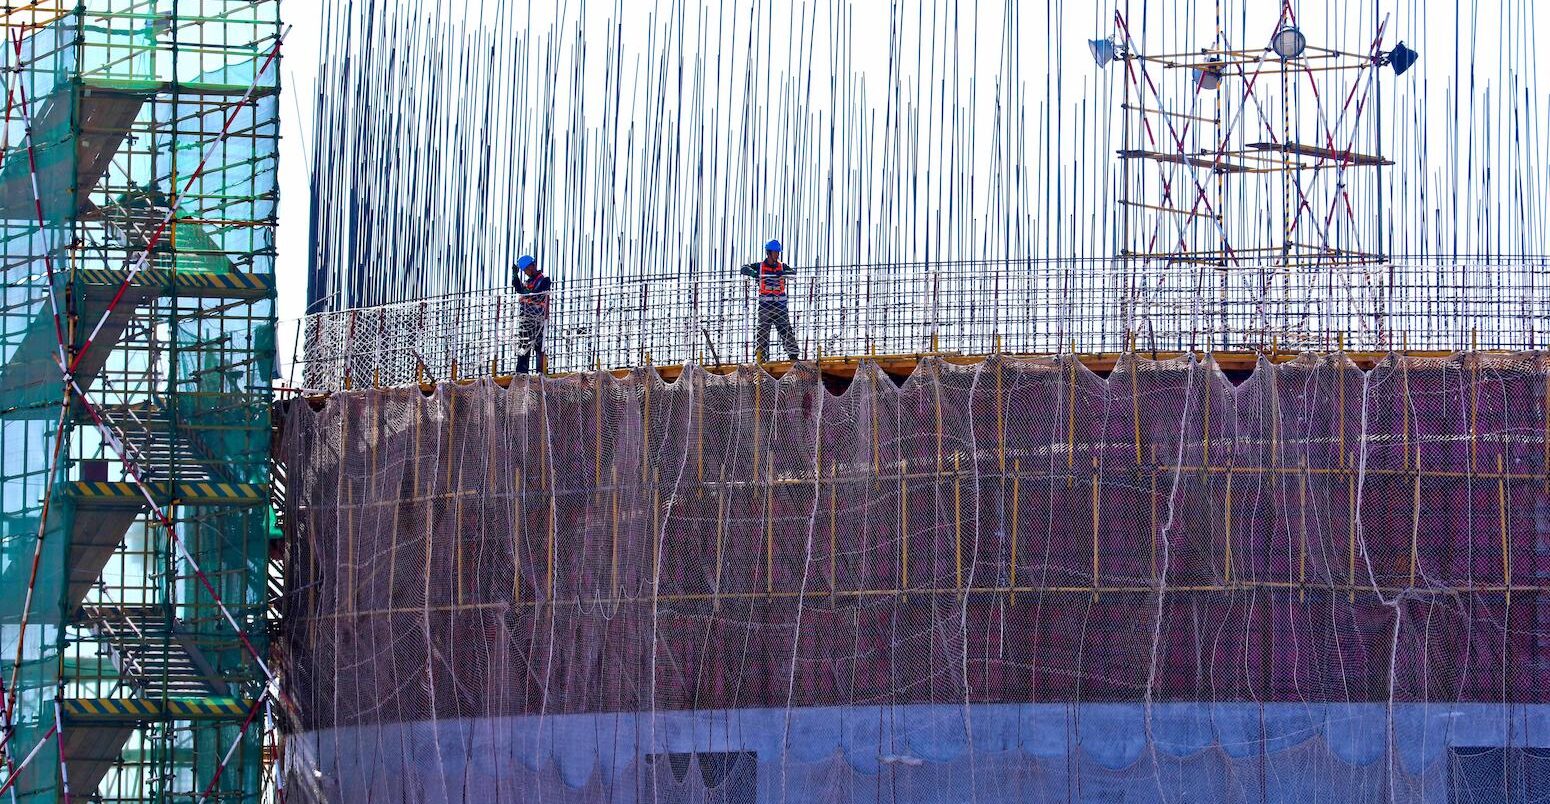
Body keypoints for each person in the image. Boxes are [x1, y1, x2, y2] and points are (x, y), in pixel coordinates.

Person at [739, 239, 799, 362]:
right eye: (775, 252)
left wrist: (784, 273)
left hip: (780, 304)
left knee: (785, 329)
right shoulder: (759, 266)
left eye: (778, 252)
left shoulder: (782, 266)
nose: (777, 255)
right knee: (762, 332)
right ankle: (761, 357)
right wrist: (753, 273)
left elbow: (793, 274)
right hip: (765, 304)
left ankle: (793, 355)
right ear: (769, 253)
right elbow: (743, 268)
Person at [511, 255, 551, 374]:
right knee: (523, 346)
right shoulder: (528, 283)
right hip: (526, 320)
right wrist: (515, 276)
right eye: (524, 271)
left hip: (538, 319)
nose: (527, 273)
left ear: (532, 266)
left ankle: (541, 372)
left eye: (527, 270)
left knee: (539, 346)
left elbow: (538, 294)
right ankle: (521, 373)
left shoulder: (544, 280)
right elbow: (519, 289)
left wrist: (527, 292)